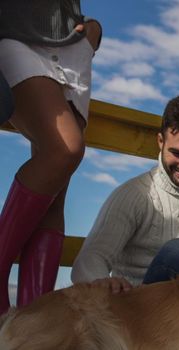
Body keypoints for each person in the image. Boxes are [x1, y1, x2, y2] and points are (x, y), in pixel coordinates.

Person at [0, 1, 102, 314]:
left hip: (72, 42)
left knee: (55, 196)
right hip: (14, 35)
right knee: (65, 148)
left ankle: (35, 317)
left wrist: (94, 32)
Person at [71, 96, 179, 291]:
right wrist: (102, 281)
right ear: (160, 141)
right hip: (143, 313)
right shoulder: (135, 194)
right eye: (177, 153)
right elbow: (88, 261)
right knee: (178, 253)